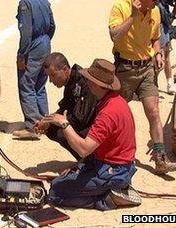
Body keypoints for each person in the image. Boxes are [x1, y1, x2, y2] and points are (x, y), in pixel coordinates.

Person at [41, 59, 141, 211]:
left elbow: (84, 149)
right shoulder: (115, 101)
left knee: (56, 193)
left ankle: (108, 198)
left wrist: (64, 123)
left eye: (88, 79)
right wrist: (79, 165)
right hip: (112, 164)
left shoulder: (107, 113)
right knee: (58, 182)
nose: (86, 81)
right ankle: (109, 189)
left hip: (113, 171)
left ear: (94, 84)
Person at [108, 0, 176, 174]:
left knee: (153, 112)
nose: (156, 3)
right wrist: (133, 15)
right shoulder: (121, 6)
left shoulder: (154, 11)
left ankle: (160, 158)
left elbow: (155, 38)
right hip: (124, 69)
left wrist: (158, 53)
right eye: (153, 0)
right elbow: (114, 35)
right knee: (116, 113)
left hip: (147, 69)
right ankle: (109, 155)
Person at [35, 52, 98, 160]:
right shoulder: (71, 81)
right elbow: (65, 107)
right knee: (51, 129)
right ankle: (84, 160)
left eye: (53, 75)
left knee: (62, 133)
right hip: (85, 122)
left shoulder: (84, 83)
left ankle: (89, 162)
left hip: (98, 128)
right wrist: (46, 121)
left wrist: (54, 122)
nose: (50, 81)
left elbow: (80, 120)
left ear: (65, 69)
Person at [13, 0, 56, 139]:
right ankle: (45, 121)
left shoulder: (25, 3)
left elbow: (26, 32)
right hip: (45, 43)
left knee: (26, 84)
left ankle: (32, 126)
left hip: (34, 45)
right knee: (39, 84)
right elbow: (52, 26)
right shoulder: (44, 1)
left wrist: (22, 54)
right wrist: (45, 41)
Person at [159, 0, 176, 95]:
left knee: (166, 58)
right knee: (158, 59)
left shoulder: (164, 4)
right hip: (157, 29)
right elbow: (168, 19)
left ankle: (169, 82)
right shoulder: (158, 5)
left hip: (164, 31)